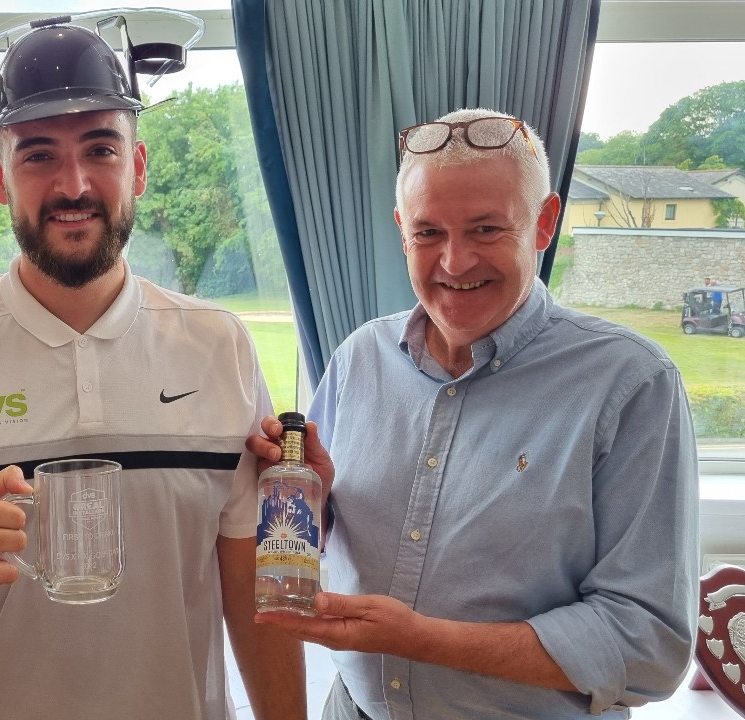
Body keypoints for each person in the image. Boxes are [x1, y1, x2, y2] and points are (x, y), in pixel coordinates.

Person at [0, 21, 306, 720]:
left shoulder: (219, 346)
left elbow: (255, 588)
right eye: (38, 155)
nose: (74, 184)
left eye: (101, 148)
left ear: (138, 166)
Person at [249, 108, 699, 718]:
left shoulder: (632, 383)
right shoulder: (360, 356)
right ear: (402, 230)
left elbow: (648, 645)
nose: (455, 262)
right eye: (428, 232)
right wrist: (316, 503)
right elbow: (324, 545)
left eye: (486, 229)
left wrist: (421, 640)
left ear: (544, 223)